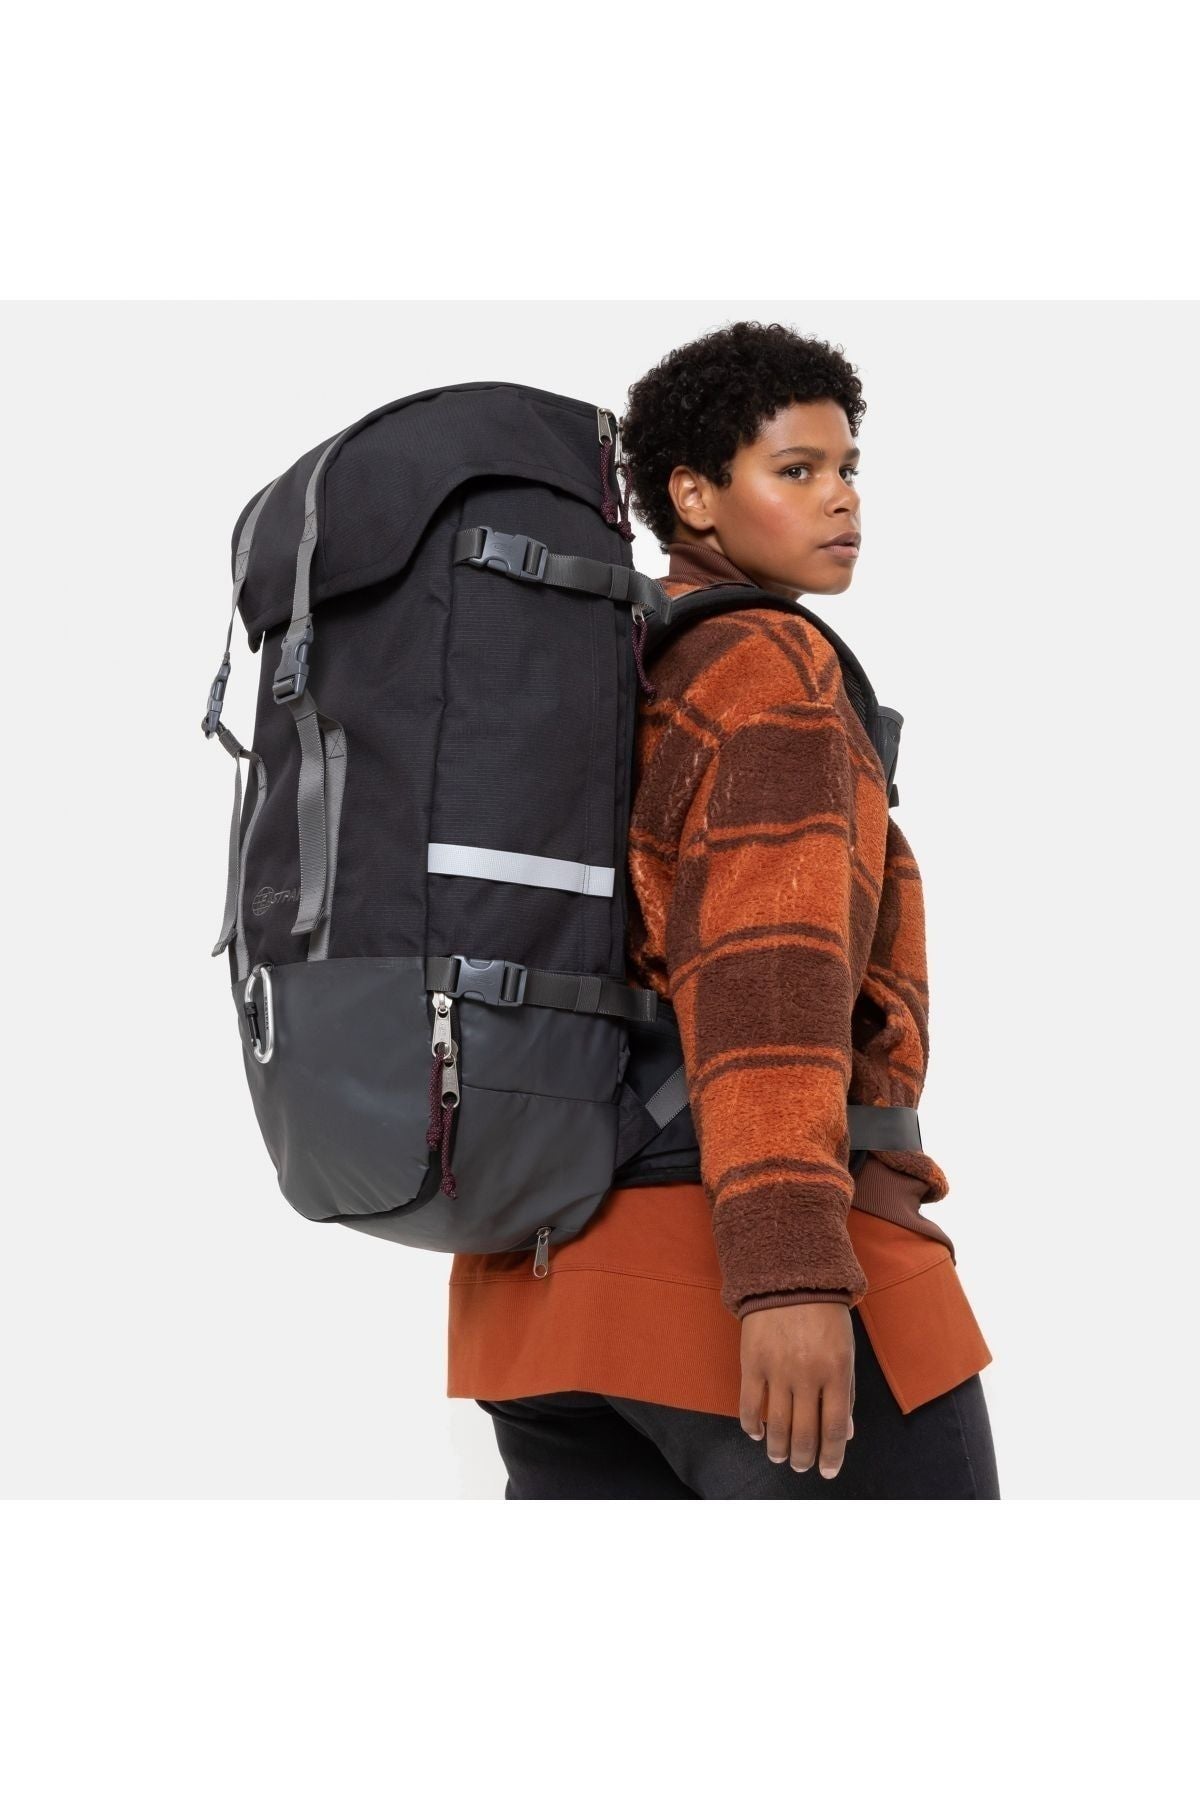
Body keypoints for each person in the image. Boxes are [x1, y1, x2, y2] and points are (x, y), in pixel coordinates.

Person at [448, 321, 1000, 1500]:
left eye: (847, 468)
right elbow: (767, 977)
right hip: (736, 1280)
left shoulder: (602, 672)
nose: (841, 498)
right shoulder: (768, 670)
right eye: (795, 469)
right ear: (692, 494)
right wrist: (790, 1273)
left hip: (541, 1300)